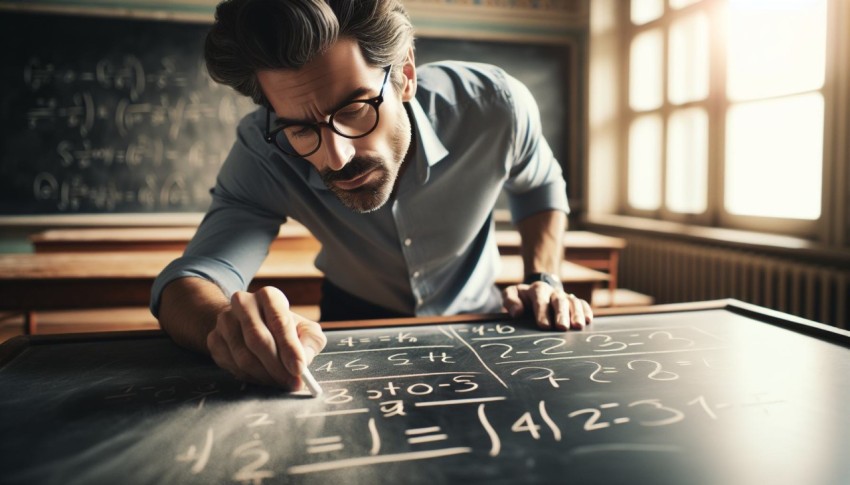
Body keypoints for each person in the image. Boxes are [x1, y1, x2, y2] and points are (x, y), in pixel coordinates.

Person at [151, 0, 593, 390]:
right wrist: (224, 328)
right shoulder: (265, 151)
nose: (336, 157)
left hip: (484, 320)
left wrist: (544, 278)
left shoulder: (496, 106)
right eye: (302, 129)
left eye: (355, 110)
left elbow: (539, 185)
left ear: (404, 76)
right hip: (352, 319)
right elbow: (193, 280)